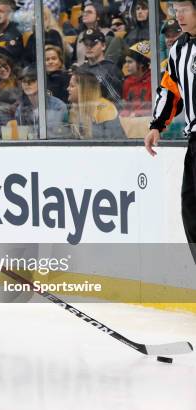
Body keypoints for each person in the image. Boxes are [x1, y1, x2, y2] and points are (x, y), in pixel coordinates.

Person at [145, 0, 196, 262]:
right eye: (176, 10)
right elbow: (170, 90)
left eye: (185, 9)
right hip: (195, 141)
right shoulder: (179, 49)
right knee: (191, 210)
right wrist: (157, 125)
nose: (179, 16)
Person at [67, 66, 126, 139]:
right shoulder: (76, 108)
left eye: (72, 86)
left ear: (84, 90)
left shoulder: (105, 108)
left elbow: (110, 142)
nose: (68, 89)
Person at [15, 66, 69, 138]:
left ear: (42, 82)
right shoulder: (20, 109)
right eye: (24, 81)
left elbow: (56, 135)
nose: (27, 84)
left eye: (32, 80)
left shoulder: (58, 106)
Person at [80, 28, 124, 106]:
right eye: (86, 44)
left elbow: (116, 101)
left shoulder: (111, 69)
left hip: (105, 113)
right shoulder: (80, 70)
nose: (89, 47)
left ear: (103, 46)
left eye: (93, 44)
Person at [120, 40, 151, 117]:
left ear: (141, 64)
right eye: (126, 62)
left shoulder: (153, 80)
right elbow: (126, 106)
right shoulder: (127, 82)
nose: (126, 65)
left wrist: (137, 114)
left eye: (130, 62)